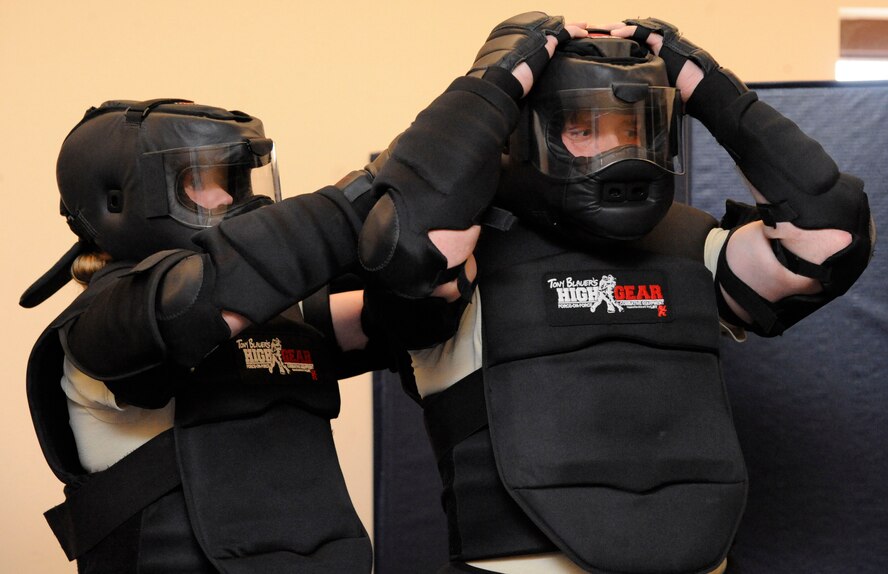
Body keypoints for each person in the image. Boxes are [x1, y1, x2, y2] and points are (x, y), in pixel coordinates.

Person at [21, 14, 588, 573]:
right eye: (203, 184)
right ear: (117, 200)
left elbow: (373, 322)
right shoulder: (100, 329)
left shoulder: (271, 320)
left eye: (235, 180)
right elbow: (205, 297)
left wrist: (428, 272)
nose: (230, 202)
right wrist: (464, 113)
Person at [358, 14, 875, 574]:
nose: (618, 151)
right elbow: (405, 244)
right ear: (525, 133)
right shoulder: (461, 253)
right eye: (584, 129)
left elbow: (832, 237)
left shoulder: (689, 242)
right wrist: (498, 81)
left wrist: (708, 86)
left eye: (634, 128)